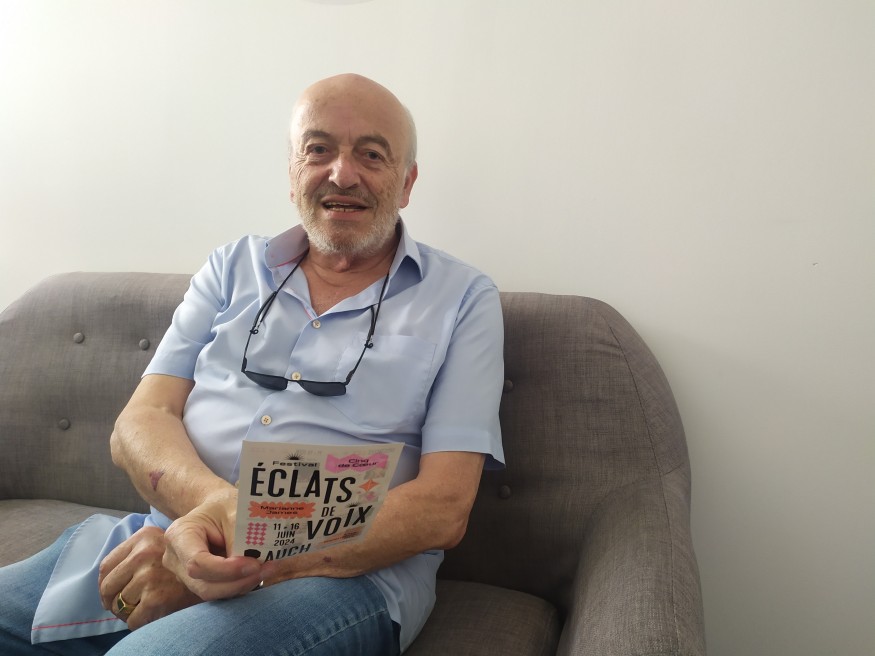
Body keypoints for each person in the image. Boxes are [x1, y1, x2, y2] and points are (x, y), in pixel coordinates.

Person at [0, 73, 504, 655]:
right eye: (318, 150)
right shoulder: (231, 267)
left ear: (407, 182)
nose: (343, 174)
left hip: (340, 577)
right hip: (162, 535)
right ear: (292, 172)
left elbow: (443, 508)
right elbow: (141, 421)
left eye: (371, 154)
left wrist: (240, 561)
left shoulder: (462, 299)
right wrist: (208, 520)